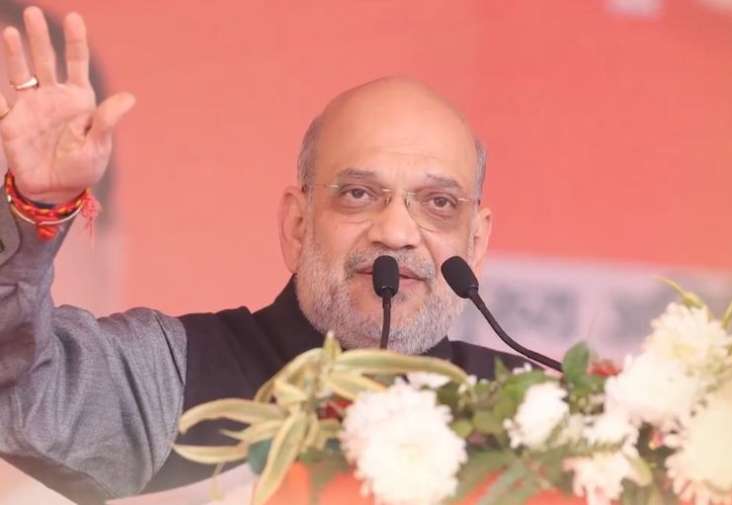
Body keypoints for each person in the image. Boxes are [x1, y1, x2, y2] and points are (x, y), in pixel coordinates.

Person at [0, 7, 528, 505]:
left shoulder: (533, 412)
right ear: (297, 225)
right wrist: (32, 209)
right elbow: (18, 387)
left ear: (476, 243)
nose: (396, 232)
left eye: (438, 203)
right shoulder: (171, 376)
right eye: (358, 194)